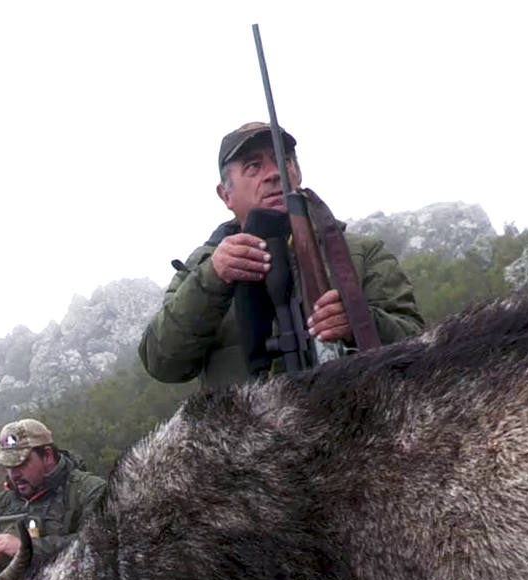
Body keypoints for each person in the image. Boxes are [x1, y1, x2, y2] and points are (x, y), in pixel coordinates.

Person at [139, 122, 425, 388]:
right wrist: (212, 279)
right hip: (246, 438)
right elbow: (162, 362)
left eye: (283, 160)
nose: (274, 173)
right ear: (226, 195)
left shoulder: (362, 253)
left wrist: (360, 322)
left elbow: (419, 349)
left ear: (297, 174)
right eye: (253, 166)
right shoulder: (202, 269)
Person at [0, 419, 107, 580]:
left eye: (21, 463)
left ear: (47, 456)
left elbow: (101, 548)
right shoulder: (0, 505)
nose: (14, 474)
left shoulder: (89, 491)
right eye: (9, 466)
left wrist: (27, 549)